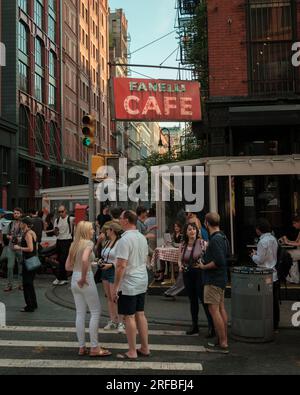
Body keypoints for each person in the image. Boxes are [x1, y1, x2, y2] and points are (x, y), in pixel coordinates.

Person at [65, 221, 112, 357]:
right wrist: (84, 276)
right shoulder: (88, 243)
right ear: (86, 231)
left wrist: (80, 270)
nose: (93, 231)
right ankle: (95, 347)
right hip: (86, 278)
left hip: (74, 277)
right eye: (91, 229)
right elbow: (85, 259)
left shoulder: (74, 244)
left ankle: (81, 346)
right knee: (95, 312)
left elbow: (67, 266)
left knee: (80, 313)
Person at [113, 211, 150, 360]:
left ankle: (132, 351)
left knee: (129, 316)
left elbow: (121, 265)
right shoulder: (142, 237)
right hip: (142, 279)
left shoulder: (124, 240)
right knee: (140, 313)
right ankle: (145, 347)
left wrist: (116, 286)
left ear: (127, 221)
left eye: (121, 218)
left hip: (129, 282)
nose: (119, 220)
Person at [198, 212, 229, 354]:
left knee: (214, 310)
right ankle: (223, 339)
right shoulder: (222, 236)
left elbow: (219, 261)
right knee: (221, 309)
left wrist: (203, 266)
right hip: (221, 279)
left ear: (206, 223)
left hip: (213, 280)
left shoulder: (216, 239)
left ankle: (223, 342)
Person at [178, 222, 214, 336]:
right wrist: (180, 266)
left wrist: (203, 265)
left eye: (194, 229)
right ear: (186, 232)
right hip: (187, 274)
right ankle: (195, 326)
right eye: (189, 229)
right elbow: (180, 259)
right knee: (192, 301)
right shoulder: (183, 245)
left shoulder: (203, 243)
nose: (192, 231)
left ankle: (211, 327)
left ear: (197, 231)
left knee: (204, 301)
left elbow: (209, 258)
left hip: (200, 273)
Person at [251, 218, 279, 331]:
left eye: (256, 228)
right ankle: (275, 325)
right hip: (274, 274)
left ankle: (266, 325)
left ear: (259, 229)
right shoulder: (273, 239)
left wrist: (253, 255)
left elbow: (260, 260)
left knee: (264, 302)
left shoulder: (262, 242)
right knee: (274, 302)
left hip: (263, 275)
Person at [100, 223, 125, 333]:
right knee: (109, 297)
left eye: (108, 230)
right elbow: (104, 255)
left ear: (112, 231)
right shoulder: (107, 242)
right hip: (105, 270)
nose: (106, 231)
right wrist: (101, 261)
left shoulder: (119, 243)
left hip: (113, 270)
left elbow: (121, 259)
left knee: (115, 297)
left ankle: (120, 322)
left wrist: (111, 265)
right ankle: (113, 320)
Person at [13, 217, 38, 312]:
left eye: (21, 223)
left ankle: (29, 306)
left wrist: (19, 247)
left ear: (25, 224)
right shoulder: (31, 232)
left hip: (28, 261)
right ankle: (33, 304)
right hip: (33, 260)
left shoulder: (28, 234)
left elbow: (30, 248)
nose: (20, 224)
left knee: (27, 284)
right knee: (30, 284)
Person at [52, 206, 74, 286]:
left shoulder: (70, 219)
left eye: (62, 211)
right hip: (59, 240)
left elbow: (79, 221)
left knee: (63, 259)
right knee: (60, 260)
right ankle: (62, 278)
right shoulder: (57, 220)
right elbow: (56, 233)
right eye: (59, 212)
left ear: (66, 211)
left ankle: (61, 278)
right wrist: (56, 231)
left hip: (67, 240)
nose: (61, 213)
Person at [6, 208, 24, 291]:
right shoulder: (10, 224)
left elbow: (25, 236)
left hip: (20, 248)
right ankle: (9, 285)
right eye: (14, 213)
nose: (15, 214)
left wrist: (19, 239)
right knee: (10, 267)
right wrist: (10, 237)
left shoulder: (23, 224)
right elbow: (7, 235)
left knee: (21, 266)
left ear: (21, 214)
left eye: (17, 213)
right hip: (11, 247)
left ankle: (21, 284)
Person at [280, 216, 300, 283]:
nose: (293, 225)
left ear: (299, 222)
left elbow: (299, 244)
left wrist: (287, 242)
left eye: (294, 223)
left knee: (287, 255)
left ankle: (292, 278)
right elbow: (296, 242)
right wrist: (287, 240)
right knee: (289, 256)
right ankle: (294, 278)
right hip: (298, 250)